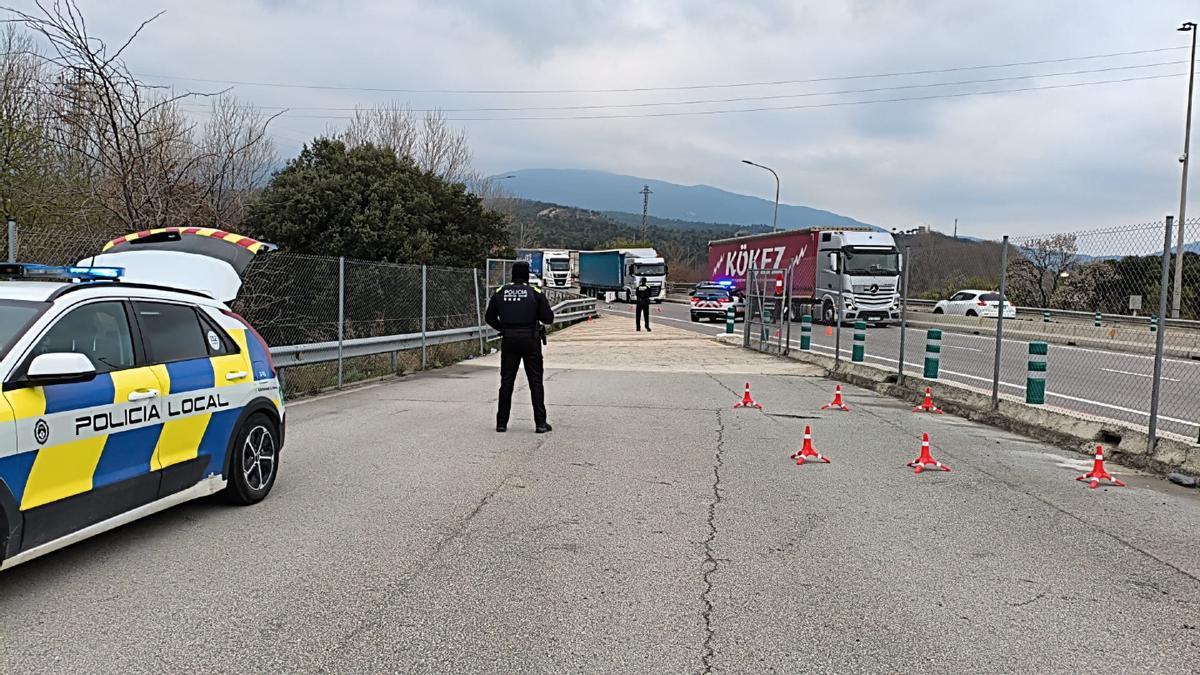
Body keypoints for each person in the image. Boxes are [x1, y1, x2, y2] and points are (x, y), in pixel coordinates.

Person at [485, 260, 555, 433]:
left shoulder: (501, 292)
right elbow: (548, 318)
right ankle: (540, 423)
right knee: (535, 381)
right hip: (530, 340)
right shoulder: (535, 292)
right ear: (527, 275)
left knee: (507, 381)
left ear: (512, 274)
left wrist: (503, 328)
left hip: (509, 339)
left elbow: (489, 317)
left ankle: (501, 423)